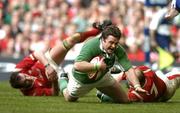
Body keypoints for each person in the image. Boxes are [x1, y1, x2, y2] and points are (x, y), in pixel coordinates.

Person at [9, 21, 104, 96]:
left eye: (25, 76)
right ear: (22, 88)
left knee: (71, 40)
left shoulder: (19, 69)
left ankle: (98, 31)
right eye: (26, 82)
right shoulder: (31, 93)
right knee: (74, 91)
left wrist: (47, 66)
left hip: (49, 62)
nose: (29, 78)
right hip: (59, 79)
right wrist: (54, 81)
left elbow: (37, 53)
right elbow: (54, 93)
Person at [59, 24, 147, 103]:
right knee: (69, 98)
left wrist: (137, 85)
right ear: (103, 39)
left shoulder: (118, 49)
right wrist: (97, 66)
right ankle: (63, 79)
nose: (114, 46)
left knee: (125, 101)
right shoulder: (91, 45)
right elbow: (77, 65)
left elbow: (128, 69)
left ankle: (102, 95)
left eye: (116, 43)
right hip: (82, 79)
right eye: (111, 42)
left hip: (102, 77)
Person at [97, 65, 180, 102]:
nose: (128, 78)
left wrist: (104, 94)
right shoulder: (146, 70)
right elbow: (131, 71)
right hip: (160, 87)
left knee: (176, 74)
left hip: (167, 89)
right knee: (160, 73)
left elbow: (120, 98)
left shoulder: (137, 95)